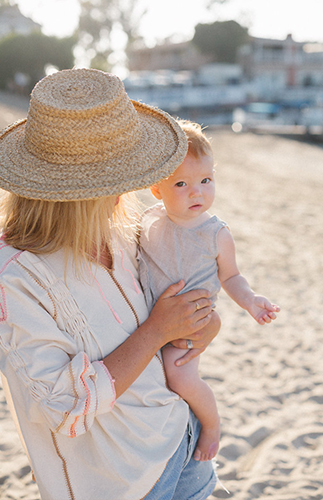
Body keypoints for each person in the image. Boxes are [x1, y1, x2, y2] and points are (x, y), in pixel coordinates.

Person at [0, 69, 221, 500]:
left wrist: (200, 329)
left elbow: (173, 315)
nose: (131, 191)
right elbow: (63, 406)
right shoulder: (17, 277)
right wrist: (157, 329)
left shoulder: (121, 231)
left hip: (183, 438)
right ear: (74, 194)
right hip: (120, 483)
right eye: (119, 180)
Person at [138, 119, 280, 462]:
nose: (196, 192)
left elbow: (231, 277)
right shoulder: (148, 219)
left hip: (190, 323)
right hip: (148, 317)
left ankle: (211, 425)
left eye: (205, 180)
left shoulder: (216, 234)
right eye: (181, 184)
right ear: (157, 189)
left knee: (180, 377)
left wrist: (251, 301)